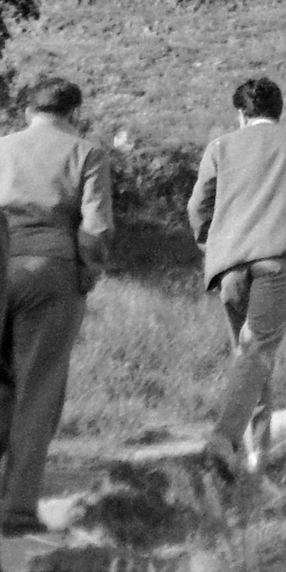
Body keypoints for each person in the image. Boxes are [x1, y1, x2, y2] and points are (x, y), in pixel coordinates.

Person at [187, 77, 286, 479]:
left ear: (241, 114)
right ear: (279, 110)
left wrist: (212, 246)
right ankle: (224, 441)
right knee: (256, 353)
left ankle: (259, 457)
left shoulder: (220, 147)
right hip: (281, 259)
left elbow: (199, 204)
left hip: (229, 264)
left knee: (249, 354)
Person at [0, 77, 112, 537]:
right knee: (38, 387)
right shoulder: (86, 152)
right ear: (74, 113)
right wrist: (87, 272)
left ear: (27, 111)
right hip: (52, 268)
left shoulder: (3, 147)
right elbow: (96, 226)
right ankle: (17, 507)